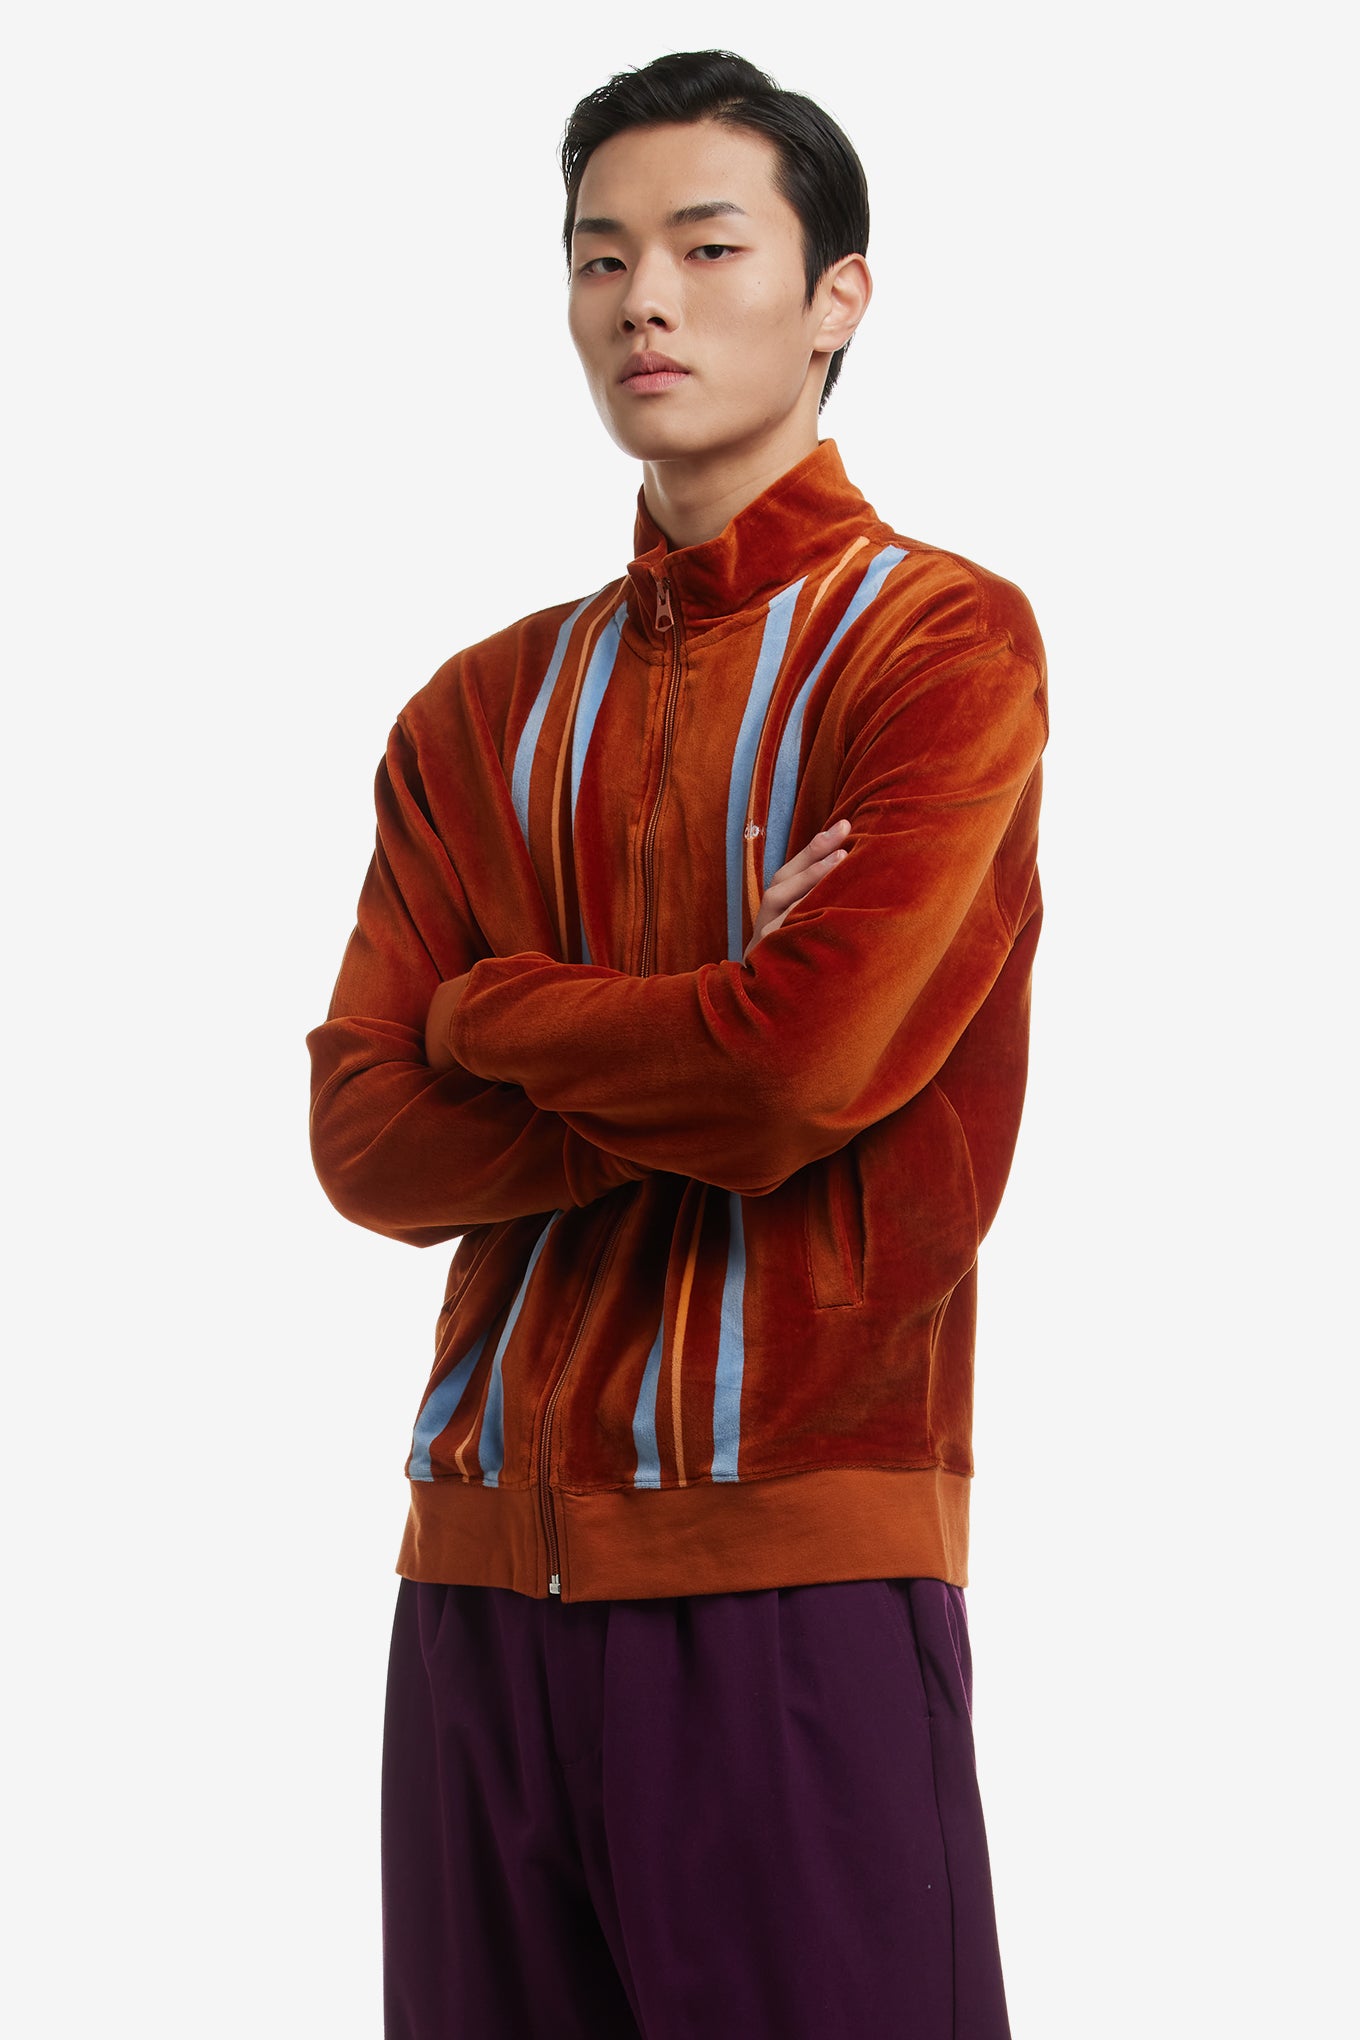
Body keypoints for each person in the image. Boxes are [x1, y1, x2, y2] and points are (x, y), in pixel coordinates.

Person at [307, 47, 1047, 2040]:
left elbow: (791, 1073)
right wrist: (696, 1036)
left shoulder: (939, 648)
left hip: (790, 1581)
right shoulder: (475, 711)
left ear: (833, 294)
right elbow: (366, 1141)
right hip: (473, 1590)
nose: (646, 298)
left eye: (710, 248)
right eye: (600, 255)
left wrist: (493, 1010)